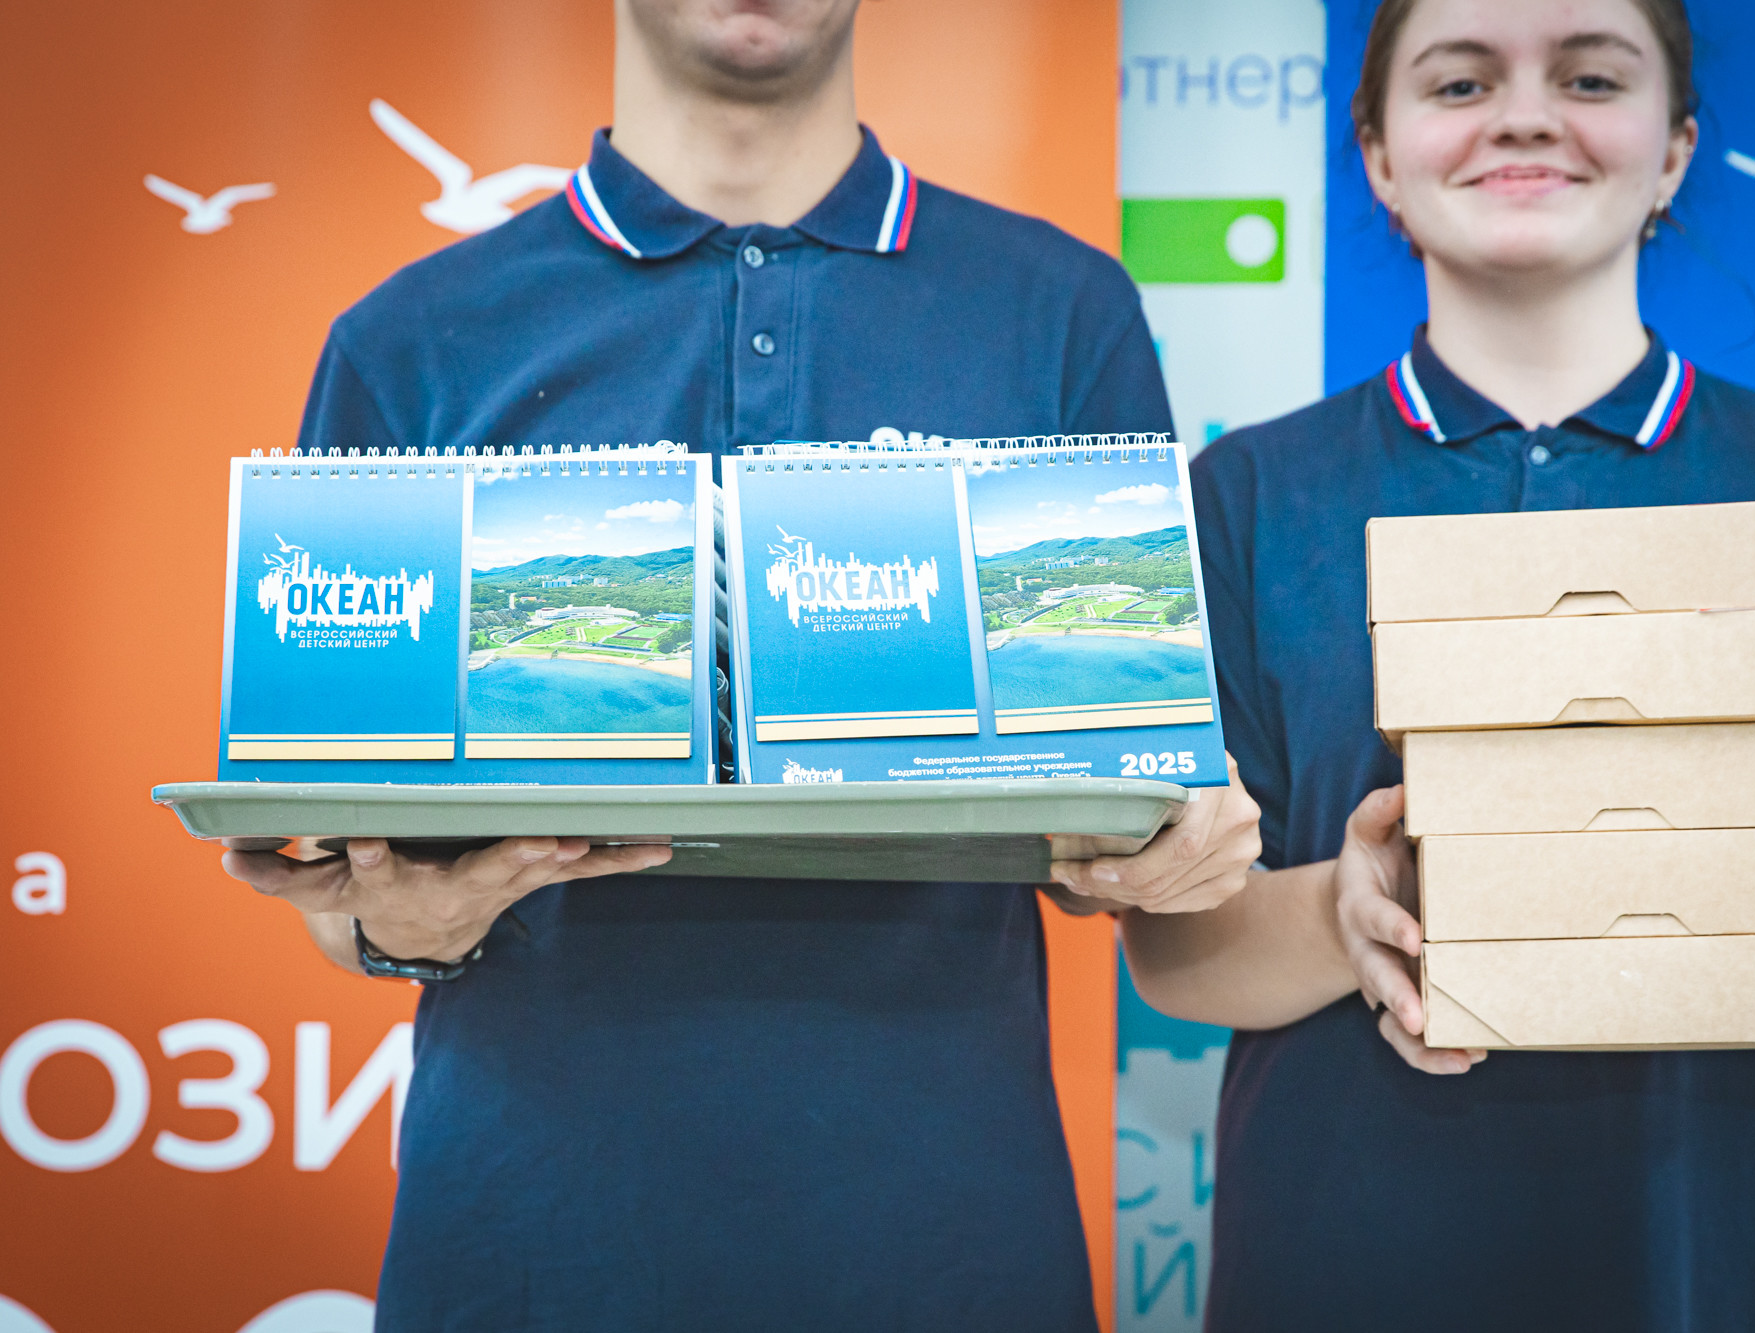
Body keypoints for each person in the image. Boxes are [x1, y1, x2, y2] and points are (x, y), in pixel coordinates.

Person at [220, 2, 1260, 1327]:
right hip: (529, 1246)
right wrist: (395, 928)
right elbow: (343, 862)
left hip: (942, 1240)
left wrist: (1171, 842)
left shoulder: (1060, 310)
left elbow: (1144, 794)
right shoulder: (411, 337)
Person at [1109, 0, 1755, 1327]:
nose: (1525, 116)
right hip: (1346, 1265)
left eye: (1589, 77)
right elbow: (1174, 949)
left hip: (1735, 1267)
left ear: (1677, 147)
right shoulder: (1238, 504)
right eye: (1461, 83)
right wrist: (1341, 913)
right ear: (1378, 155)